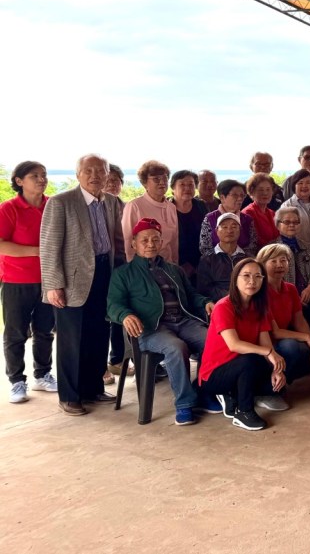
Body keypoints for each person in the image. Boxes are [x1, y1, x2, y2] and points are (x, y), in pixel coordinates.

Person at [106, 218, 214, 425]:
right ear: (134, 243)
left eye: (155, 239)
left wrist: (206, 303)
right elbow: (113, 305)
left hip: (183, 322)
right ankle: (184, 403)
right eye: (144, 240)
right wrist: (125, 315)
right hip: (150, 328)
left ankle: (205, 392)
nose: (150, 244)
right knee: (176, 347)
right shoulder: (123, 274)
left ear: (162, 242)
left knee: (213, 339)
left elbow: (192, 296)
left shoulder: (174, 270)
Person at [41, 154, 126, 416]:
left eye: (100, 171)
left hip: (104, 275)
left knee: (99, 334)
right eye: (88, 171)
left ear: (107, 174)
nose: (94, 176)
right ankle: (70, 396)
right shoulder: (61, 202)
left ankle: (93, 388)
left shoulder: (111, 201)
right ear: (78, 174)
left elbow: (117, 241)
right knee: (72, 340)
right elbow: (49, 247)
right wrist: (53, 285)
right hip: (72, 281)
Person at [198, 258, 286, 431]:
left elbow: (265, 343)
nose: (252, 281)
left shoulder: (260, 307)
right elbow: (234, 345)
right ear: (235, 278)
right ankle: (244, 412)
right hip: (215, 374)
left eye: (258, 276)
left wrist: (276, 369)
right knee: (250, 360)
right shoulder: (223, 306)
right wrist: (269, 353)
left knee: (276, 387)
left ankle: (233, 393)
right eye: (246, 276)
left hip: (242, 366)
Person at [1, 161, 58, 403]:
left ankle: (43, 375)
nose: (41, 179)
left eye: (44, 175)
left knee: (45, 331)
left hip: (49, 280)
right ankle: (17, 381)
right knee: (16, 333)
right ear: (19, 181)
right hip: (16, 280)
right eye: (34, 175)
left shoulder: (53, 205)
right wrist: (37, 252)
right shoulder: (9, 208)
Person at [258, 243, 310, 396]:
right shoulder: (260, 291)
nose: (279, 265)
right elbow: (274, 332)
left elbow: (299, 321)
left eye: (283, 260)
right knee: (291, 347)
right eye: (273, 261)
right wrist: (307, 338)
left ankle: (280, 383)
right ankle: (268, 390)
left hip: (284, 338)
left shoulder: (290, 288)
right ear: (262, 264)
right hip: (265, 345)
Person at [122, 160, 178, 262]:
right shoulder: (134, 206)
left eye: (165, 178)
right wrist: (134, 267)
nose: (162, 182)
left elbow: (174, 241)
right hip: (144, 265)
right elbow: (128, 241)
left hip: (167, 264)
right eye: (156, 179)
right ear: (144, 183)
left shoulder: (171, 207)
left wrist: (174, 265)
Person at [102, 165, 128, 384]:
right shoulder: (96, 205)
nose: (111, 184)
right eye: (107, 180)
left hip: (122, 268)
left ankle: (118, 359)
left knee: (119, 315)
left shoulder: (125, 206)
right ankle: (99, 365)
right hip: (101, 269)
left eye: (116, 180)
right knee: (101, 318)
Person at [197, 213, 251, 301]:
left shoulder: (248, 258)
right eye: (224, 227)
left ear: (240, 230)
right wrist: (231, 296)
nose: (229, 231)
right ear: (216, 231)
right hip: (220, 303)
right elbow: (204, 289)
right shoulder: (207, 259)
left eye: (234, 227)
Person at [272, 206, 310, 304]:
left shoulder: (308, 247)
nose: (292, 225)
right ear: (278, 225)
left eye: (296, 222)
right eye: (287, 222)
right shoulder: (271, 250)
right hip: (284, 299)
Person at [200, 179, 258, 256]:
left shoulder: (247, 219)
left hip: (243, 261)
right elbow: (205, 247)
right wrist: (223, 259)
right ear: (222, 197)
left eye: (242, 195)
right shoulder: (210, 218)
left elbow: (253, 246)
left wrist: (238, 258)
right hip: (216, 262)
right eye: (235, 195)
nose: (240, 199)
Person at [170, 170, 206, 281]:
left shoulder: (201, 205)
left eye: (191, 184)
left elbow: (207, 234)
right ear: (173, 188)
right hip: (174, 264)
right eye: (182, 184)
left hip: (200, 263)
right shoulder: (166, 208)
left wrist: (195, 264)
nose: (187, 188)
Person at [283, 169, 310, 260]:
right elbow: (284, 235)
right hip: (298, 256)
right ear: (294, 186)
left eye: (308, 183)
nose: (304, 186)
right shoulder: (287, 206)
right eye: (300, 183)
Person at [242, 173, 280, 249]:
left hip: (274, 252)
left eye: (268, 189)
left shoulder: (272, 213)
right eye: (260, 190)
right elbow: (254, 242)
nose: (265, 193)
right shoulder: (247, 213)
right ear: (252, 192)